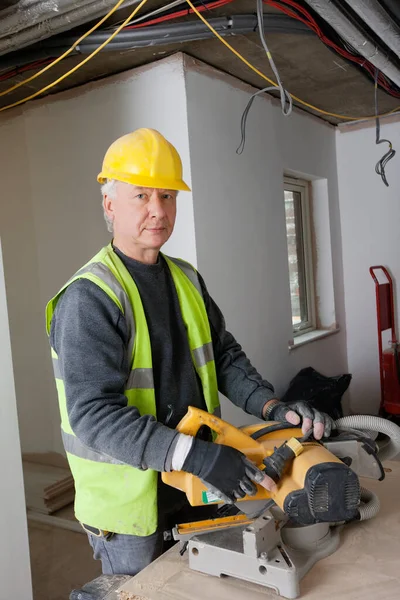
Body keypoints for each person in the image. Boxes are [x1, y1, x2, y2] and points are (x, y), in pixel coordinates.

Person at [46, 128, 334, 577]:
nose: (157, 210)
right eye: (141, 195)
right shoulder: (90, 297)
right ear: (109, 204)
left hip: (199, 481)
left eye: (167, 195)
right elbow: (93, 414)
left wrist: (272, 406)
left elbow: (223, 356)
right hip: (130, 511)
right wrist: (194, 455)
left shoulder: (185, 278)